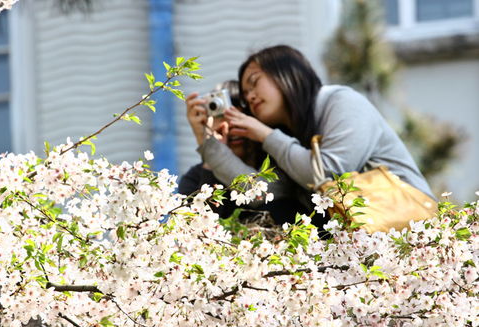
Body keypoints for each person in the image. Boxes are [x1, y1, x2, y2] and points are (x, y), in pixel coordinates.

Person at [218, 45, 435, 223]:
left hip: (411, 228)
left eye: (254, 82)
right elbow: (267, 193)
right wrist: (209, 141)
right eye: (246, 95)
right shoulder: (283, 135)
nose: (251, 97)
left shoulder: (341, 101)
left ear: (288, 73)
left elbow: (331, 175)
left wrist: (266, 136)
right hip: (355, 247)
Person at [179, 80, 304, 223]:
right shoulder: (194, 179)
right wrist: (208, 149)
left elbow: (272, 194)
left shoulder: (277, 159)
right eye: (221, 117)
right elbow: (197, 230)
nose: (232, 126)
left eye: (238, 116)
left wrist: (213, 152)